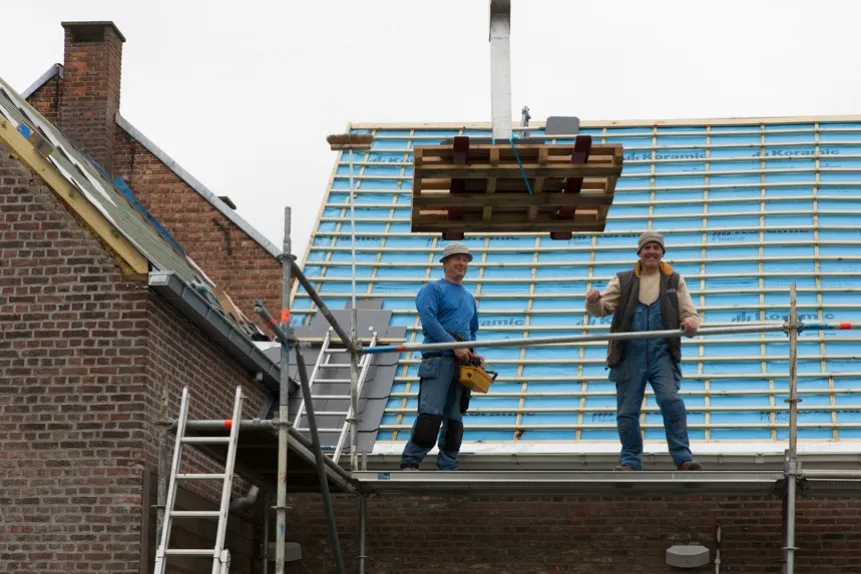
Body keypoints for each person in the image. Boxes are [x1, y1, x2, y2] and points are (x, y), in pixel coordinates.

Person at [585, 230, 703, 472]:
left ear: (662, 252)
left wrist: (691, 322)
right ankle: (629, 461)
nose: (651, 252)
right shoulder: (622, 279)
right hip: (629, 354)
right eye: (647, 248)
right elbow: (602, 309)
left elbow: (689, 313)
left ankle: (683, 458)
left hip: (662, 352)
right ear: (639, 252)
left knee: (671, 401)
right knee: (627, 411)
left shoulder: (674, 280)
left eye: (656, 248)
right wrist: (594, 301)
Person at [400, 242, 481, 471]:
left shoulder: (469, 298)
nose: (462, 263)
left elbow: (472, 331)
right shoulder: (433, 289)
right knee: (431, 413)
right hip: (438, 360)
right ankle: (410, 461)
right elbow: (429, 322)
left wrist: (474, 353)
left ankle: (448, 465)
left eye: (465, 260)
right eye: (456, 259)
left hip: (461, 364)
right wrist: (454, 346)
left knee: (455, 418)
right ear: (445, 263)